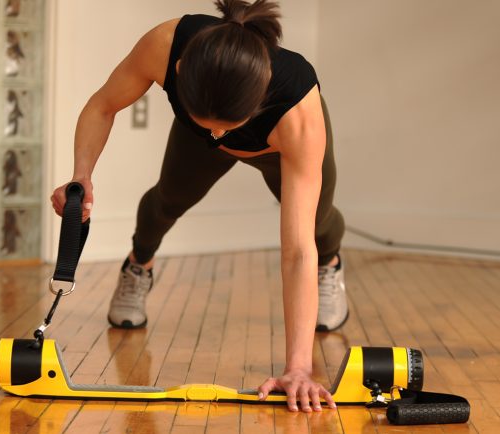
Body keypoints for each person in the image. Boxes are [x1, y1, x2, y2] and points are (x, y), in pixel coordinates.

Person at [50, 0, 347, 412]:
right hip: (198, 133)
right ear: (178, 75)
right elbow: (103, 104)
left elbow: (295, 251)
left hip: (276, 146)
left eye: (228, 125)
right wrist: (81, 175)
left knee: (316, 225)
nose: (220, 134)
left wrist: (299, 367)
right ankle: (140, 263)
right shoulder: (164, 45)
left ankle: (330, 268)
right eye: (211, 123)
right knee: (167, 199)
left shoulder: (298, 109)